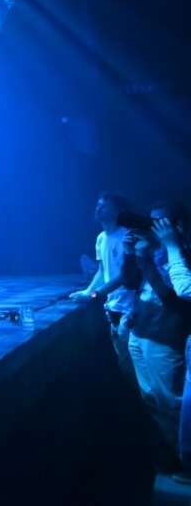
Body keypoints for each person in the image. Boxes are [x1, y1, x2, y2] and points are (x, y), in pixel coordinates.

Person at [125, 202, 191, 472]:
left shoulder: (182, 255)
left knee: (171, 401)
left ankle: (185, 460)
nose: (151, 227)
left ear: (177, 226)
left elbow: (172, 297)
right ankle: (171, 454)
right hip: (140, 331)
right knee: (150, 398)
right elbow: (130, 282)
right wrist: (130, 253)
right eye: (150, 221)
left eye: (159, 222)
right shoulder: (152, 250)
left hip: (165, 336)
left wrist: (145, 259)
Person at [70, 193, 137, 381]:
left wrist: (95, 294)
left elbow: (124, 275)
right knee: (125, 365)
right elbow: (102, 271)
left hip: (131, 308)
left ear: (118, 211)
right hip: (113, 308)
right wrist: (87, 291)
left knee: (134, 367)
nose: (99, 208)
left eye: (105, 206)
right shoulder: (101, 238)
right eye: (98, 205)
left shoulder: (127, 236)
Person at [148, 206, 191, 480]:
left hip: (167, 334)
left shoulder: (178, 250)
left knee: (182, 408)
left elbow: (183, 290)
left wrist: (172, 247)